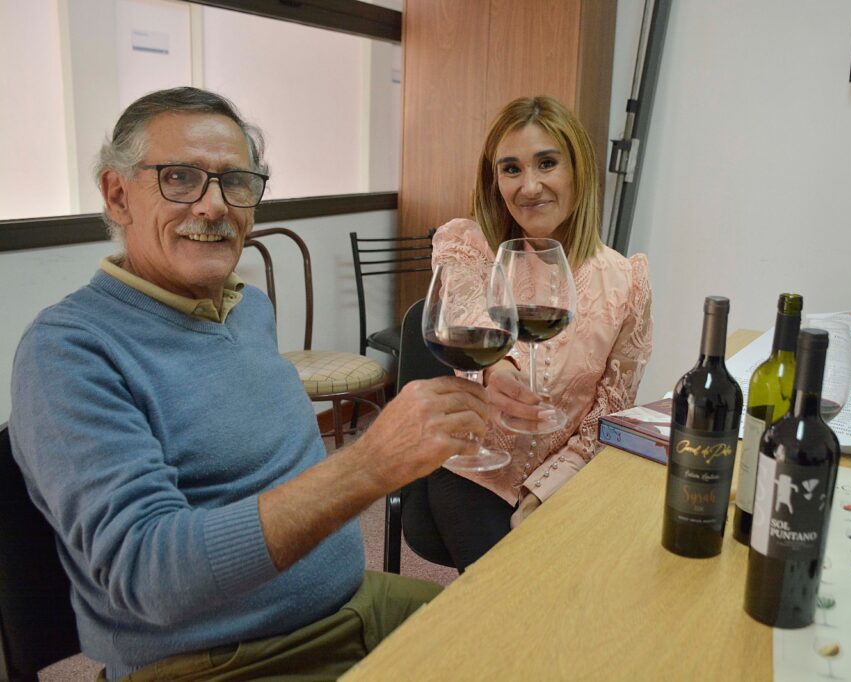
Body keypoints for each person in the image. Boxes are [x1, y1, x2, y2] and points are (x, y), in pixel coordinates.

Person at [8, 87, 489, 681]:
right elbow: (148, 574)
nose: (214, 206)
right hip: (226, 661)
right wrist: (370, 465)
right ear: (117, 194)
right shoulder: (68, 349)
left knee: (522, 633)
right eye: (179, 178)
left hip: (349, 607)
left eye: (236, 181)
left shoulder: (247, 307)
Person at [403, 96, 653, 572]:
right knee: (510, 588)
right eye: (511, 169)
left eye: (547, 163)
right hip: (472, 468)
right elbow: (466, 316)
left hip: (567, 473)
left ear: (578, 169)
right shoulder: (468, 245)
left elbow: (609, 411)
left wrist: (546, 491)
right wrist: (498, 369)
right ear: (494, 180)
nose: (529, 186)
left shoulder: (627, 281)